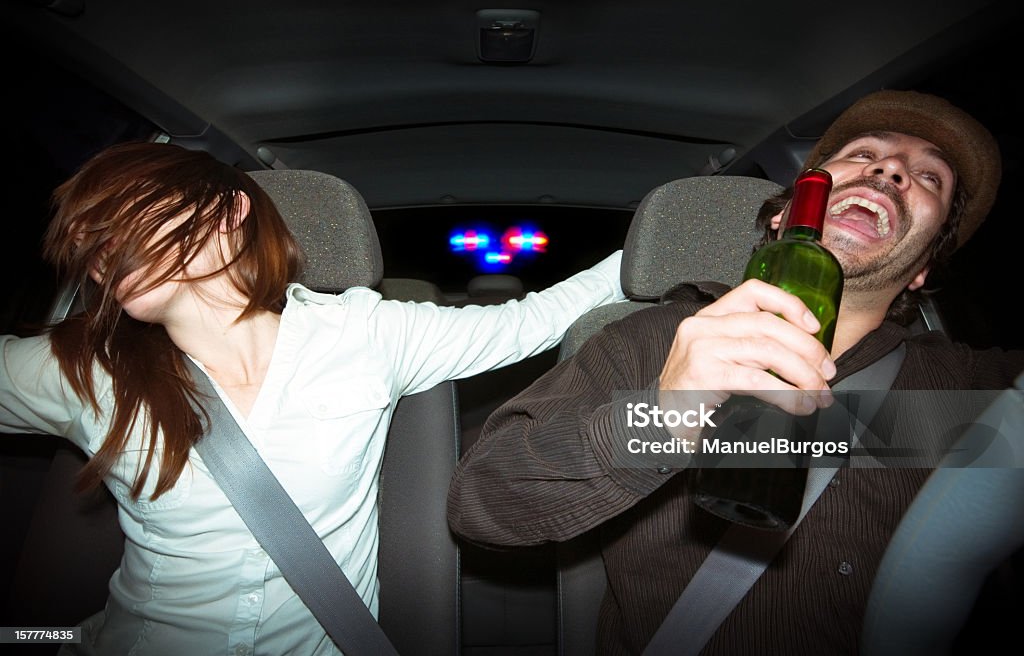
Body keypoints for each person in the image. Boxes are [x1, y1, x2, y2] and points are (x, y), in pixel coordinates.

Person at [447, 90, 1024, 655]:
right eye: (861, 153)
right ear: (781, 218)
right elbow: (483, 505)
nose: (891, 167)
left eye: (930, 178)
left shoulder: (974, 389)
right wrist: (663, 416)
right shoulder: (653, 339)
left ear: (922, 269)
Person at [0, 141, 626, 655]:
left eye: (123, 219)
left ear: (226, 215)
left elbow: (535, 318)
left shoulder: (366, 333)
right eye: (93, 242)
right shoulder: (79, 365)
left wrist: (663, 257)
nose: (104, 256)